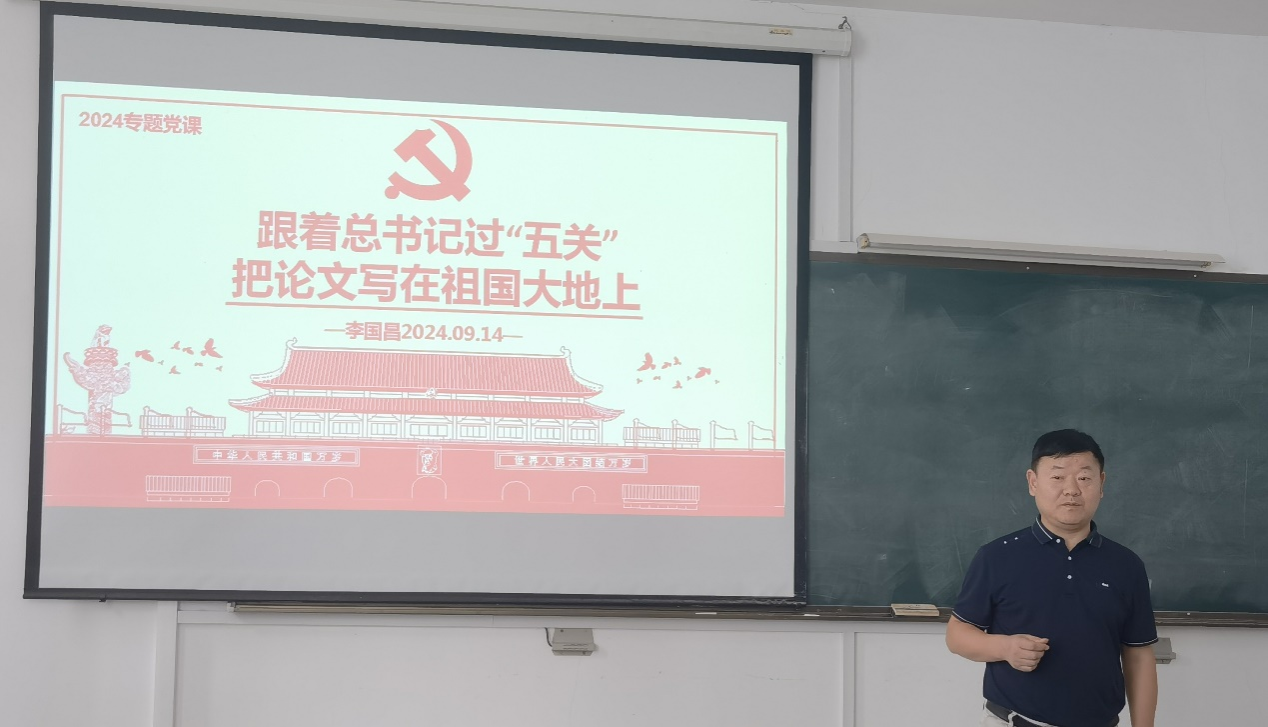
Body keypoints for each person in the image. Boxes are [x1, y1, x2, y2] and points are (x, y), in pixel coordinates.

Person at [946, 429, 1158, 727]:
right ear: (1033, 482)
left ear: (1101, 483)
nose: (1071, 489)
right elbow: (957, 635)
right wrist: (1005, 648)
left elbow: (1138, 655)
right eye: (1057, 477)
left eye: (1084, 478)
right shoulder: (997, 556)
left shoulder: (1126, 565)